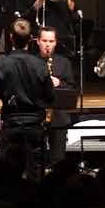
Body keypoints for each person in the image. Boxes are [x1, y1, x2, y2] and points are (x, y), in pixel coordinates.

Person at [0, 18, 54, 180]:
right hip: (35, 126)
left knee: (8, 175)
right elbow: (50, 97)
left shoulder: (1, 64)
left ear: (11, 38)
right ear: (30, 40)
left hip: (11, 126)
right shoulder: (40, 65)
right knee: (36, 175)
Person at [36, 26, 75, 165]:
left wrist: (59, 83)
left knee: (58, 160)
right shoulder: (31, 62)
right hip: (36, 117)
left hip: (58, 117)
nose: (47, 44)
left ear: (56, 42)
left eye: (51, 41)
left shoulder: (64, 62)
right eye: (44, 40)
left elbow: (71, 88)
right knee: (34, 160)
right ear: (38, 41)